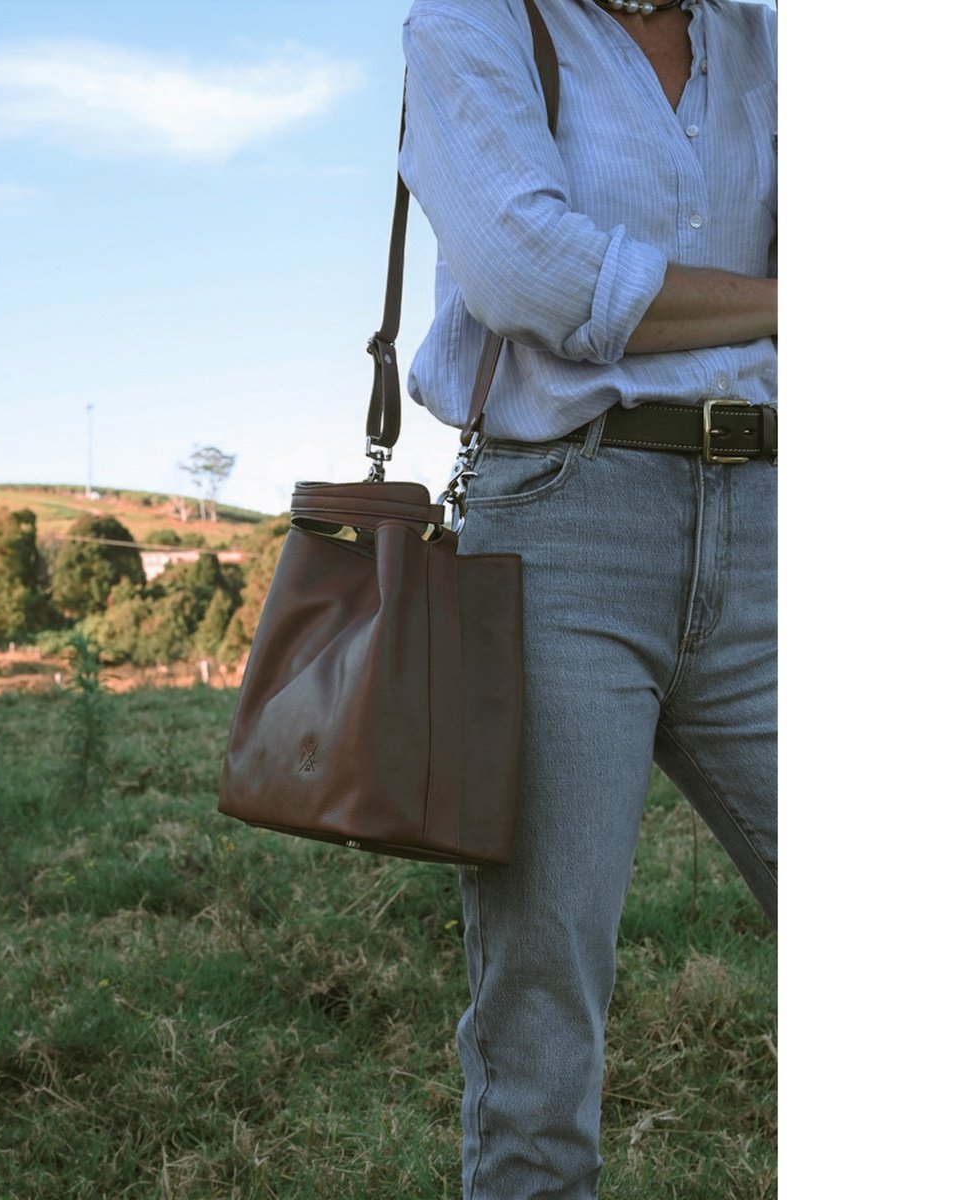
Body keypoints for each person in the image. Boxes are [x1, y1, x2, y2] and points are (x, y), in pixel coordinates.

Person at [397, 0, 777, 1195]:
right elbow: (525, 269)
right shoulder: (473, 20)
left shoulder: (769, 38)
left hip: (775, 516)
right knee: (543, 999)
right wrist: (785, 300)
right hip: (564, 520)